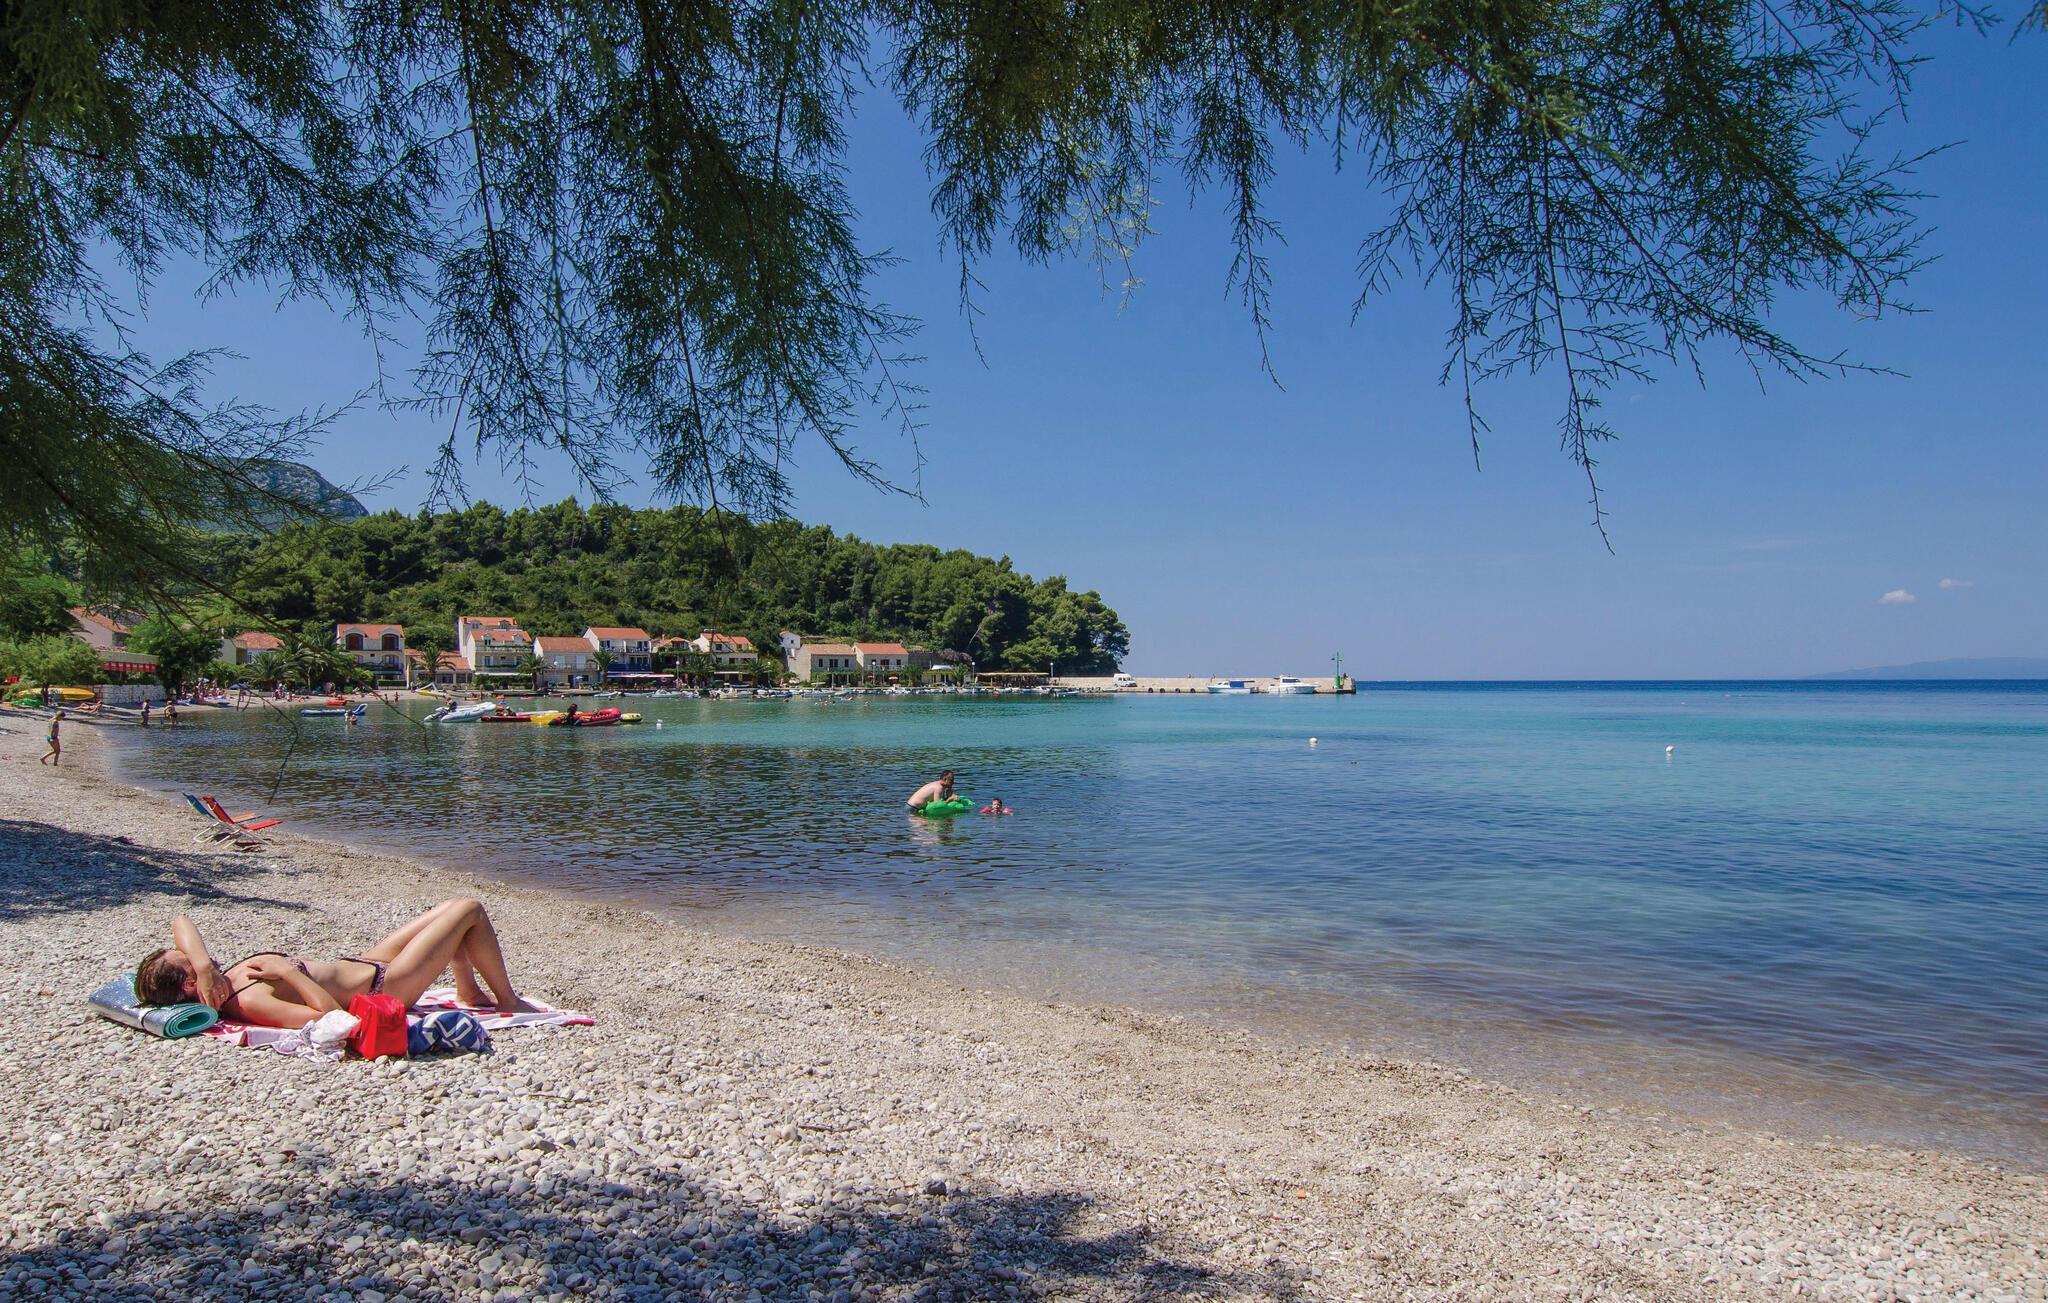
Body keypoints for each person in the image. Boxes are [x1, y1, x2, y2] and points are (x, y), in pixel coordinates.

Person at [132, 899, 540, 1029]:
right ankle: (508, 1000)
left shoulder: (215, 976)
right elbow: (332, 1020)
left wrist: (203, 966)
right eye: (189, 962)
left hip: (368, 963)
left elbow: (180, 920)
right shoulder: (249, 1001)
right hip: (387, 987)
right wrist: (289, 973)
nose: (201, 957)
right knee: (469, 910)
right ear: (188, 987)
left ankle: (468, 991)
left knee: (451, 907)